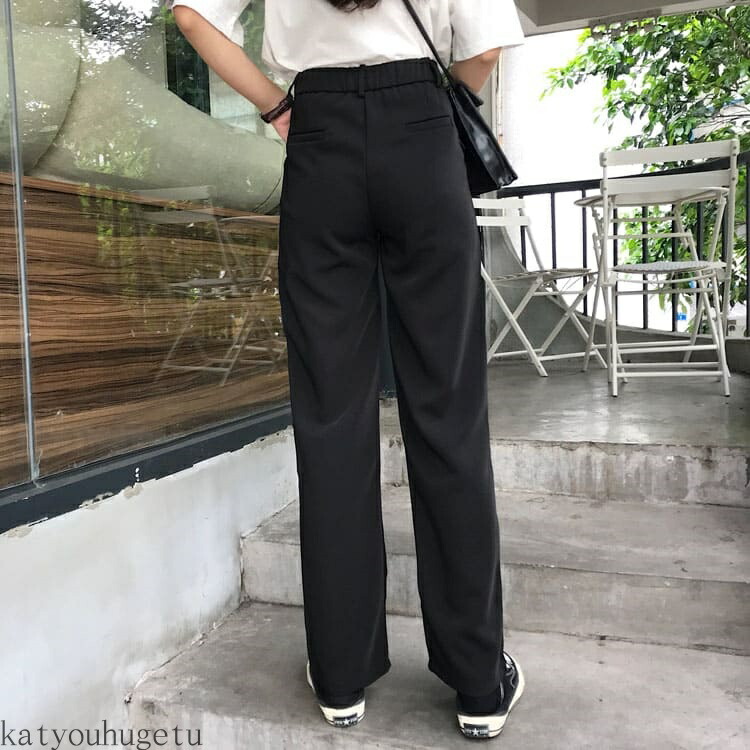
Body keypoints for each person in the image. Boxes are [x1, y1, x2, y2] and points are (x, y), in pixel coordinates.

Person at [169, 0, 525, 740]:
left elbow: (195, 18)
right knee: (450, 413)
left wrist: (277, 108)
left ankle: (340, 677)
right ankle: (478, 684)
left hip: (320, 141)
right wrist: (428, 109)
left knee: (332, 419)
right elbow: (486, 49)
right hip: (423, 134)